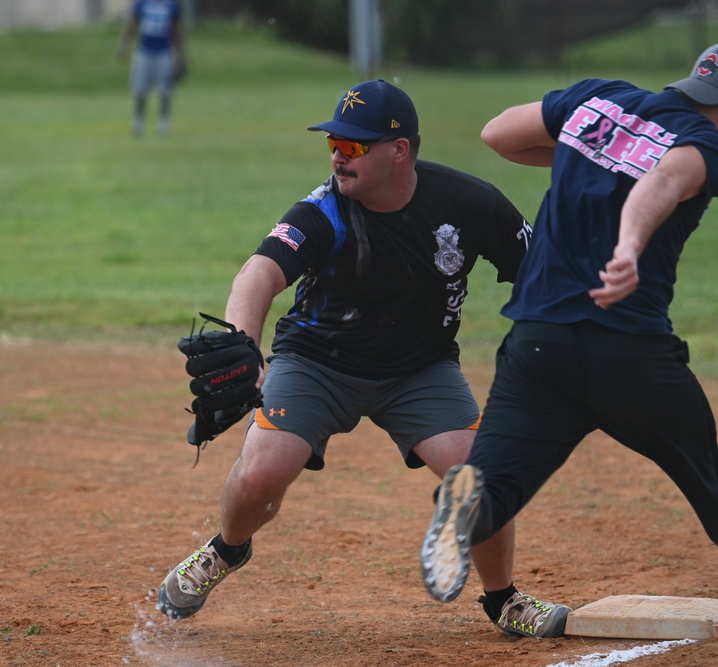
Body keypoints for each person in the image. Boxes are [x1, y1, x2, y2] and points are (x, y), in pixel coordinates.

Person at [420, 42, 718, 636]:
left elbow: (499, 133)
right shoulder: (711, 147)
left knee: (496, 483)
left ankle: (468, 508)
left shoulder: (597, 98)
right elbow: (661, 180)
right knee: (706, 477)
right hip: (629, 355)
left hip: (538, 346)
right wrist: (629, 247)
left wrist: (593, 154)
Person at [156, 79, 572, 638]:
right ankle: (226, 551)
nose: (336, 155)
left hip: (420, 369)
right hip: (317, 360)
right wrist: (244, 342)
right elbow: (258, 273)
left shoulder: (469, 204)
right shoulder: (324, 209)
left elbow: (543, 275)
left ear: (398, 151)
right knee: (262, 473)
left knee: (481, 475)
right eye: (333, 142)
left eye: (352, 146)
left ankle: (504, 600)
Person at [117, 0, 186, 138]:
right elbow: (132, 25)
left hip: (164, 52)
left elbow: (176, 30)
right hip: (145, 51)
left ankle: (163, 124)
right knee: (140, 90)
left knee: (166, 90)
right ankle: (138, 123)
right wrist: (124, 44)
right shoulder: (142, 4)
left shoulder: (171, 6)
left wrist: (181, 54)